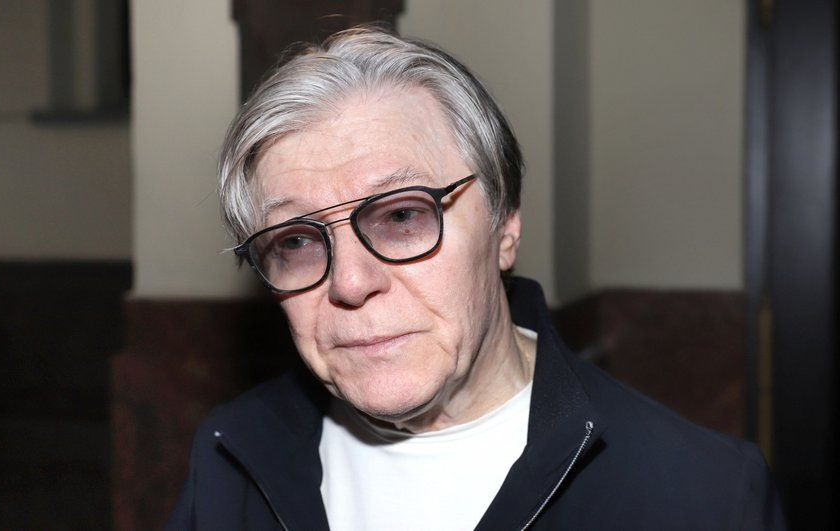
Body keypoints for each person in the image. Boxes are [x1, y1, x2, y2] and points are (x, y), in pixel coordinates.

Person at [166, 26, 784, 530]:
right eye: (297, 241)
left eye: (402, 216)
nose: (350, 283)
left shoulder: (701, 496)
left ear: (505, 225)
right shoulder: (230, 458)